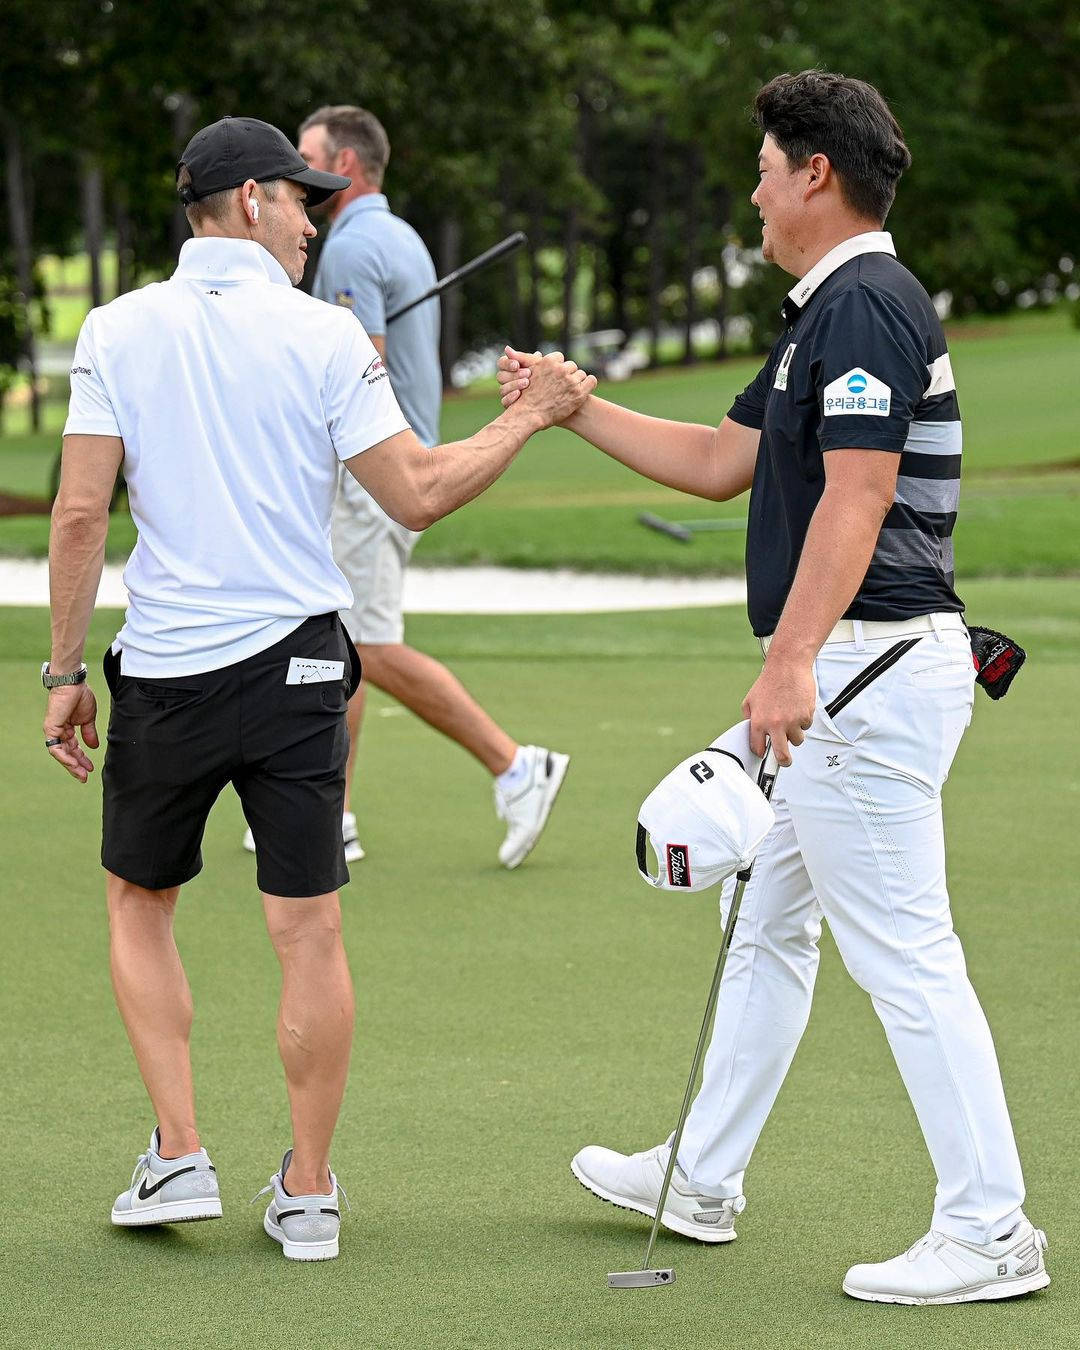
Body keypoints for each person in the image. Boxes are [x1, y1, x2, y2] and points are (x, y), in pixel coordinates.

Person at [498, 71, 1048, 1305]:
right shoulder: (825, 311)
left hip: (864, 664)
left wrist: (789, 659)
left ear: (816, 173)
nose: (750, 189)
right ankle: (699, 1175)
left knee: (905, 954)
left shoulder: (864, 306)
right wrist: (571, 409)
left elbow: (856, 500)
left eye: (762, 166)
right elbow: (721, 461)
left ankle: (991, 1229)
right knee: (767, 921)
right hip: (857, 663)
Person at [43, 114, 593, 1262]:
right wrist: (530, 415)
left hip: (168, 676)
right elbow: (421, 493)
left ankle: (180, 1155)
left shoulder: (116, 328)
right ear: (250, 203)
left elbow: (84, 514)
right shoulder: (326, 337)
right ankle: (307, 1192)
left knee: (142, 906)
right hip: (298, 670)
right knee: (309, 928)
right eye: (301, 202)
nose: (312, 220)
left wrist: (60, 672)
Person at [264, 103, 567, 870]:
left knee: (364, 643)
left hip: (376, 473)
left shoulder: (349, 247)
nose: (300, 178)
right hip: (398, 461)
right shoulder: (395, 235)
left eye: (311, 161)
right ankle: (332, 813)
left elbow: (350, 372)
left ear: (350, 167)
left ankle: (514, 766)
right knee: (346, 636)